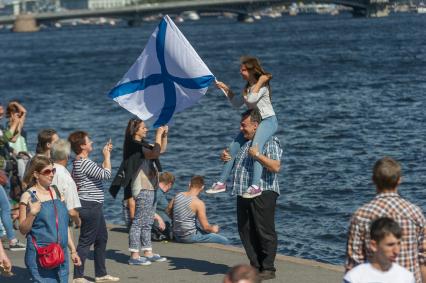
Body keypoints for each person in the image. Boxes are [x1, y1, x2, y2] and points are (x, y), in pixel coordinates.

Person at [222, 109, 282, 281]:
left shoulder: (269, 141)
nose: (241, 129)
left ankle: (268, 268)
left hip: (263, 191)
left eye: (244, 125)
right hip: (242, 191)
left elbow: (276, 167)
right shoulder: (242, 144)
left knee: (264, 231)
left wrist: (258, 155)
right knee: (245, 230)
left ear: (256, 126)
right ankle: (255, 266)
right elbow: (232, 164)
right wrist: (225, 157)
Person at [345, 157, 426, 283]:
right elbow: (423, 258)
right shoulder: (415, 213)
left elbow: (354, 262)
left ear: (373, 180)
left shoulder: (361, 215)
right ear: (399, 180)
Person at [207, 56, 277, 199]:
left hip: (268, 121)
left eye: (243, 70)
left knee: (255, 148)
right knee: (233, 147)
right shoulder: (249, 88)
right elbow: (237, 103)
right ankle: (221, 183)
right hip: (254, 122)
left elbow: (251, 99)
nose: (240, 72)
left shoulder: (261, 87)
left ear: (252, 71)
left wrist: (261, 81)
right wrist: (226, 89)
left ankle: (255, 186)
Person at [18, 155, 81, 282]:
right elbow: (23, 229)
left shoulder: (57, 192)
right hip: (41, 255)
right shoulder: (27, 196)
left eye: (53, 171)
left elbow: (64, 225)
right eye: (47, 172)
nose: (51, 174)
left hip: (61, 255)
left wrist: (73, 250)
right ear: (36, 174)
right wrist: (32, 213)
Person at [68, 131, 119, 283]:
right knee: (85, 241)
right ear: (82, 146)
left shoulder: (79, 161)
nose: (92, 143)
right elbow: (106, 175)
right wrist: (107, 157)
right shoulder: (84, 162)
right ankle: (78, 276)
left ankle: (101, 274)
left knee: (102, 238)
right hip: (90, 206)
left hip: (93, 205)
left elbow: (99, 172)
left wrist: (106, 154)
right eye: (89, 141)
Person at [120, 119, 169, 266]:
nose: (146, 129)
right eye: (143, 127)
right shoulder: (134, 146)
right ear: (135, 130)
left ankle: (147, 251)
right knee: (138, 222)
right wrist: (158, 135)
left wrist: (164, 135)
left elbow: (161, 150)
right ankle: (134, 255)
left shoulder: (143, 145)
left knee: (147, 222)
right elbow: (154, 154)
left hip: (151, 186)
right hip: (141, 186)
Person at [343, 217, 415, 283]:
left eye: (398, 244)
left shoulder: (407, 278)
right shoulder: (354, 278)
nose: (396, 251)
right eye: (390, 245)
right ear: (374, 245)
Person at [167, 175, 229, 245]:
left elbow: (168, 210)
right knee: (224, 240)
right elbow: (206, 227)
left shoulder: (178, 195)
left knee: (198, 229)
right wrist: (214, 229)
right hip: (188, 237)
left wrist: (178, 221)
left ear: (189, 184)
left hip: (176, 234)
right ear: (202, 187)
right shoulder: (198, 203)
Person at [0, 103, 26, 251]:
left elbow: (12, 139)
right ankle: (12, 239)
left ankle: (9, 237)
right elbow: (3, 140)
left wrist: (18, 125)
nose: (2, 110)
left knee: (3, 206)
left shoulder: (2, 128)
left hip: (3, 173)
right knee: (5, 206)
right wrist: (15, 122)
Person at [51, 139, 81, 227]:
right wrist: (78, 221)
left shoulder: (46, 171)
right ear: (67, 156)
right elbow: (71, 211)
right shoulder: (67, 179)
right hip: (60, 223)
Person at [152, 172, 175, 241]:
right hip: (160, 225)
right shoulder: (158, 193)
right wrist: (159, 219)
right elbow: (147, 208)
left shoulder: (158, 191)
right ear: (169, 184)